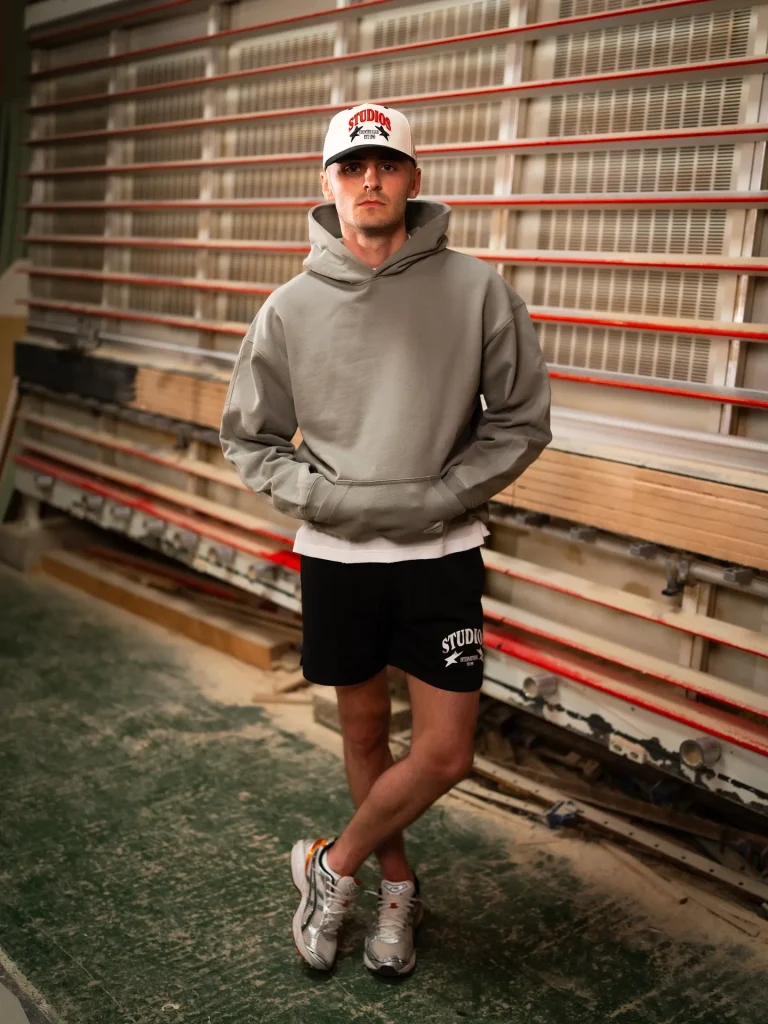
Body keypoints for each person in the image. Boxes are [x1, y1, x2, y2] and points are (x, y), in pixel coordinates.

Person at [220, 102, 551, 976]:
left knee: (446, 752)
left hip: (442, 551)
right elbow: (249, 438)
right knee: (365, 732)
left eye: (387, 164)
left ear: (413, 178)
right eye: (353, 165)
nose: (370, 179)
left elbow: (520, 419)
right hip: (337, 557)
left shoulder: (477, 290)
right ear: (327, 183)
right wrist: (326, 502)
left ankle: (332, 864)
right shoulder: (290, 307)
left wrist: (444, 494)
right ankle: (394, 887)